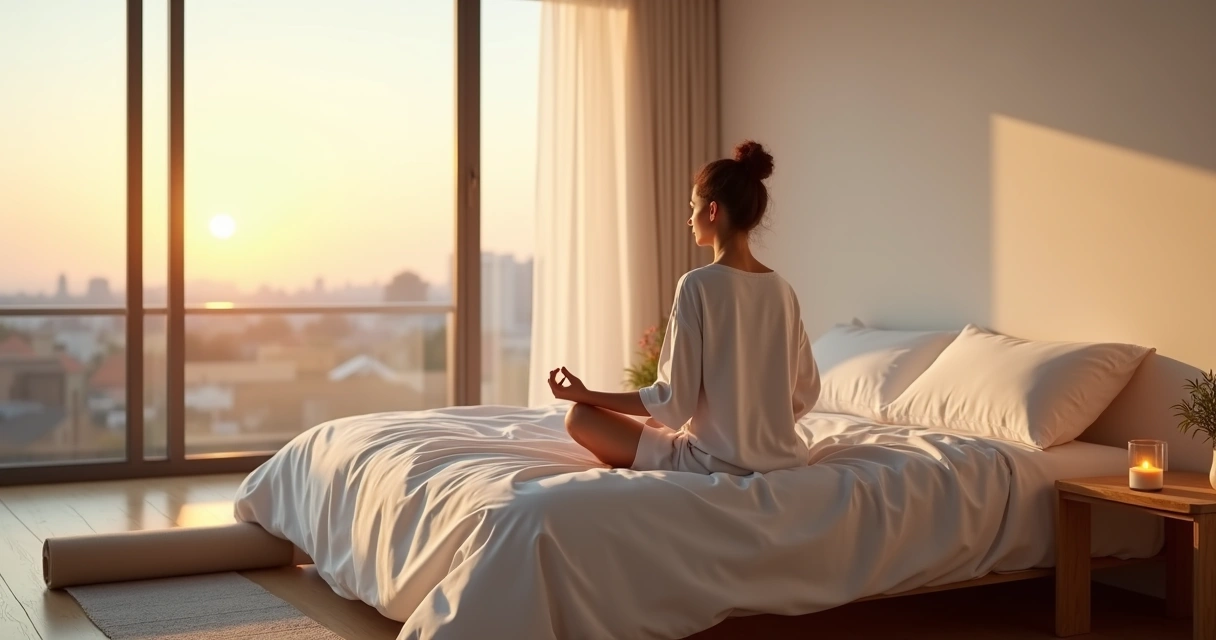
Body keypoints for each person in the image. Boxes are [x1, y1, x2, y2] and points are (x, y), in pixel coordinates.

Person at [547, 140, 820, 475]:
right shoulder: (784, 291)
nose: (689, 220)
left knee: (580, 416)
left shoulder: (697, 285)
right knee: (651, 422)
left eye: (692, 207)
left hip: (712, 462)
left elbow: (673, 401)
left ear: (713, 210)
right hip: (786, 457)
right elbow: (806, 392)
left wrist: (587, 393)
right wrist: (754, 427)